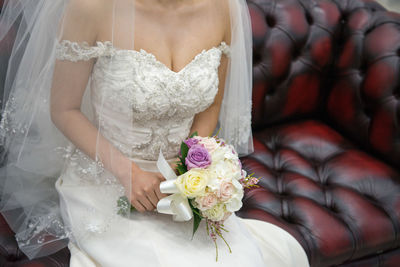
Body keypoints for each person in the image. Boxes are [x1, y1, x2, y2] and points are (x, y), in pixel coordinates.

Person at [0, 0, 309, 266]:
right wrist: (128, 173)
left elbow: (210, 108)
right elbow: (64, 110)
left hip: (179, 181)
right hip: (107, 174)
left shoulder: (222, 9)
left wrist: (190, 169)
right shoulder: (92, 7)